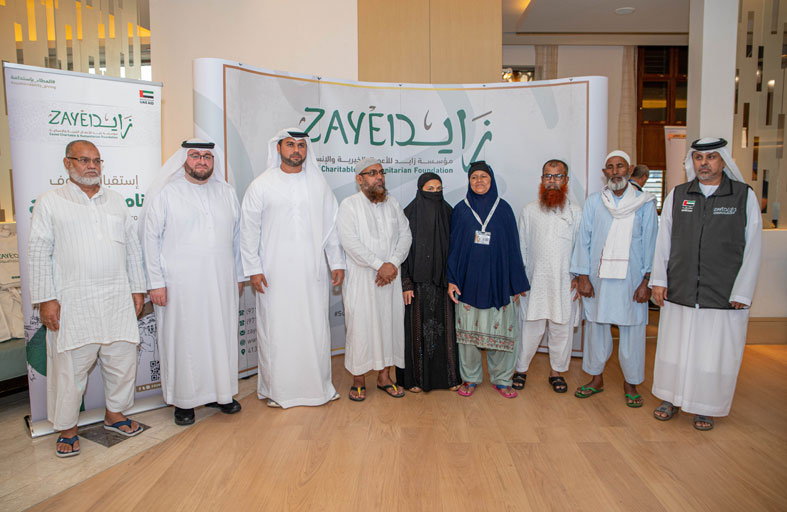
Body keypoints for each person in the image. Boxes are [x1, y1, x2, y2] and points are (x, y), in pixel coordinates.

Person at [29, 140, 145, 457]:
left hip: (117, 298)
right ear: (68, 164)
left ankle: (115, 414)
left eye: (96, 160)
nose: (91, 166)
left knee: (122, 361)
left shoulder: (116, 201)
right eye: (83, 160)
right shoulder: (50, 202)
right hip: (74, 302)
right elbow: (38, 252)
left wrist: (137, 289)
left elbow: (132, 250)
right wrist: (46, 299)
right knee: (70, 370)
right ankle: (67, 429)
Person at [651, 137, 762, 430]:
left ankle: (705, 406)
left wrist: (743, 291)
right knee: (674, 349)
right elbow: (663, 241)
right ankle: (670, 398)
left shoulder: (742, 196)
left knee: (713, 354)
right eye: (699, 158)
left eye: (711, 157)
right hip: (681, 289)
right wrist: (659, 280)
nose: (704, 163)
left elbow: (753, 247)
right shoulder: (679, 195)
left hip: (723, 293)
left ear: (723, 161)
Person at [240, 129, 345, 408]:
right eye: (290, 145)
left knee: (314, 328)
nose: (296, 150)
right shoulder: (261, 185)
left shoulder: (318, 185)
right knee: (277, 330)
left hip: (312, 272)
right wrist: (253, 268)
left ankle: (317, 388)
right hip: (273, 273)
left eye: (301, 145)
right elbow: (249, 231)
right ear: (278, 149)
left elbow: (331, 227)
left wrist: (336, 261)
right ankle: (279, 390)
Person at [141, 139, 244, 425]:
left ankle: (220, 394)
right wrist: (155, 282)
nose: (201, 161)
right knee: (183, 340)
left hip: (221, 282)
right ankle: (184, 402)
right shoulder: (167, 194)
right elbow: (150, 240)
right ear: (184, 160)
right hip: (179, 286)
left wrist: (238, 275)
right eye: (195, 156)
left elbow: (237, 239)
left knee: (220, 336)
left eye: (207, 157)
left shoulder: (226, 193)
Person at [571, 150, 658, 407]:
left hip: (632, 281)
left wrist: (646, 281)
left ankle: (631, 383)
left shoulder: (645, 202)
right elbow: (584, 240)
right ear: (604, 173)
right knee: (596, 329)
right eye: (610, 167)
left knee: (633, 331)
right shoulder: (595, 202)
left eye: (620, 166)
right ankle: (595, 379)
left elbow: (651, 243)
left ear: (630, 170)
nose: (615, 171)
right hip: (598, 279)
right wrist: (583, 276)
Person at [446, 161, 530, 399]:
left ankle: (502, 379)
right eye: (474, 177)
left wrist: (516, 283)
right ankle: (470, 377)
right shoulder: (461, 210)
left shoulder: (504, 209)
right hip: (468, 282)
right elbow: (453, 249)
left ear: (491, 180)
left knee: (501, 333)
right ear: (469, 182)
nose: (479, 181)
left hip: (499, 281)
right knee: (467, 336)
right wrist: (452, 279)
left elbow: (513, 247)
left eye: (483, 176)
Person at [337, 157, 412, 401]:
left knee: (389, 325)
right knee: (360, 328)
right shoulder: (349, 205)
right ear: (359, 179)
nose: (379, 177)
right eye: (372, 173)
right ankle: (358, 379)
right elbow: (350, 242)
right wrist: (380, 266)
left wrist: (392, 264)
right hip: (362, 279)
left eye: (381, 172)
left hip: (390, 279)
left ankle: (384, 378)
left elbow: (406, 235)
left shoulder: (393, 204)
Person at [513, 159, 582, 393]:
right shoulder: (529, 210)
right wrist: (520, 280)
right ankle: (521, 370)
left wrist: (579, 277)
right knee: (529, 329)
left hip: (565, 282)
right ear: (542, 179)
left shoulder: (576, 212)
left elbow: (581, 249)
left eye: (557, 176)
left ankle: (556, 373)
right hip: (534, 282)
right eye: (548, 176)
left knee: (561, 330)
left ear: (566, 180)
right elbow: (521, 247)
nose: (552, 181)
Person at [397, 172, 461, 393]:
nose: (435, 193)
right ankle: (415, 380)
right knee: (416, 332)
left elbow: (456, 249)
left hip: (443, 283)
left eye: (439, 189)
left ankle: (449, 378)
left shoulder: (449, 213)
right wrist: (406, 283)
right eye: (430, 189)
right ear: (420, 190)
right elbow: (401, 251)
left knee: (445, 332)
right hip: (417, 284)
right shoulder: (408, 214)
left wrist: (453, 279)